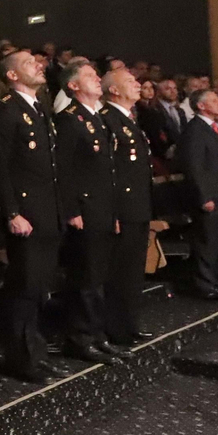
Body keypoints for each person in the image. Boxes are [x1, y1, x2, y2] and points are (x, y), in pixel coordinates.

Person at [0, 50, 62, 382]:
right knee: (24, 287)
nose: (38, 66)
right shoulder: (3, 110)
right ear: (12, 75)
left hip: (46, 211)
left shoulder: (38, 108)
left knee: (40, 287)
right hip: (25, 214)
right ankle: (21, 359)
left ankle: (36, 352)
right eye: (29, 63)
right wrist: (11, 212)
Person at [54, 61, 129, 365]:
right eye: (89, 76)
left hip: (102, 208)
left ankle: (98, 335)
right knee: (85, 279)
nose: (97, 79)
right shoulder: (69, 119)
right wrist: (72, 209)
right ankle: (80, 338)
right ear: (73, 86)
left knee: (99, 277)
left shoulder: (96, 118)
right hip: (84, 210)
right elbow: (63, 169)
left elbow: (106, 171)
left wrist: (113, 212)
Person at [97, 69, 156, 346]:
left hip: (138, 205)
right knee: (119, 272)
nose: (138, 85)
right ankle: (116, 327)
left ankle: (130, 323)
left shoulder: (129, 118)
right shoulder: (107, 119)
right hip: (122, 207)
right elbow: (110, 171)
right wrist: (114, 211)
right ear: (114, 90)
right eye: (130, 82)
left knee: (133, 271)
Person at [179, 89, 218, 299]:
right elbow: (194, 167)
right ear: (201, 106)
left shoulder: (211, 129)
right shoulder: (195, 130)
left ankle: (217, 280)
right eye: (213, 101)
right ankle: (205, 286)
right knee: (207, 244)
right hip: (210, 198)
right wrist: (204, 197)